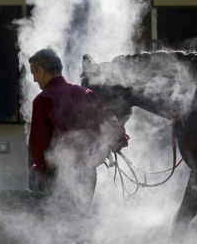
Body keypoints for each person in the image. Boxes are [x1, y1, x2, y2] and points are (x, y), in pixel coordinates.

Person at [28, 47, 128, 198]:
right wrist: (117, 142)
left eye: (34, 74)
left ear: (41, 70)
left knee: (59, 220)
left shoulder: (43, 100)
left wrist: (43, 172)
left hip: (59, 175)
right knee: (80, 220)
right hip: (88, 173)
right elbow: (112, 126)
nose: (34, 79)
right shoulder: (86, 93)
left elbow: (38, 145)